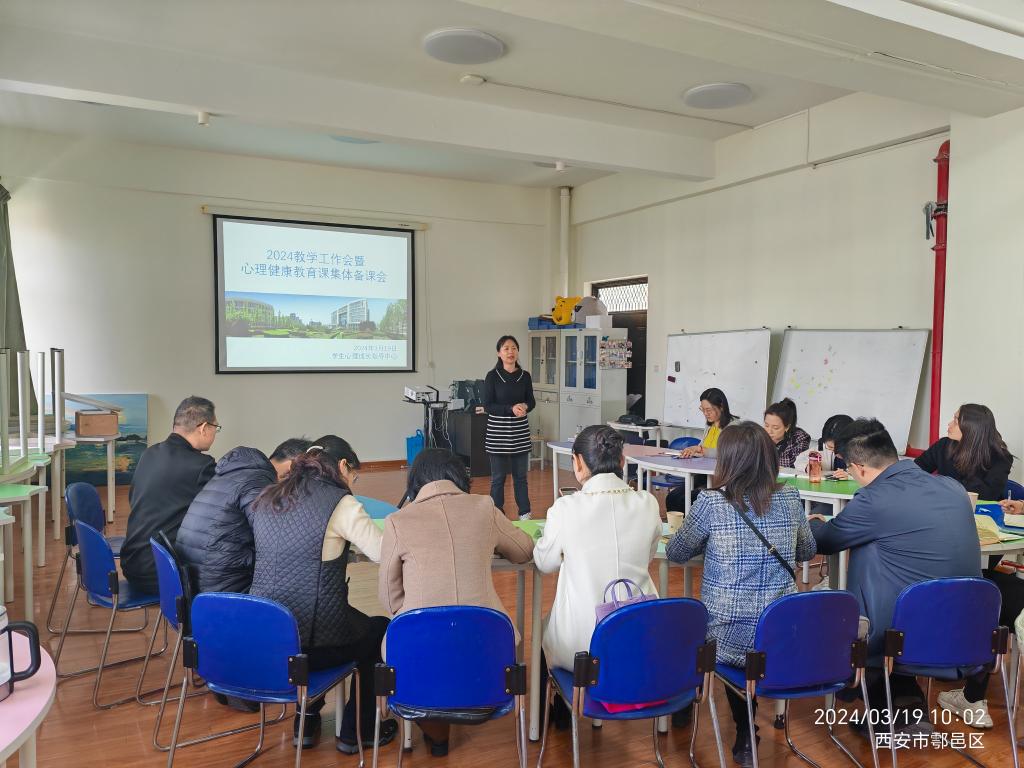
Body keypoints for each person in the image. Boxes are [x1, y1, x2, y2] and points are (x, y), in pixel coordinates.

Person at [810, 419, 984, 732]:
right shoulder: (952, 487)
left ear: (859, 468)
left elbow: (826, 541)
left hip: (904, 635)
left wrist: (812, 523)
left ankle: (879, 688)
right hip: (966, 630)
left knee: (866, 551)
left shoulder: (874, 499)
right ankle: (904, 701)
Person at [666, 421, 814, 766]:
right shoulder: (790, 498)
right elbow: (807, 551)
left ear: (728, 461)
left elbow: (677, 552)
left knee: (691, 630)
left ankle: (694, 710)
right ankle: (746, 736)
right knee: (749, 646)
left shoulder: (711, 502)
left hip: (727, 631)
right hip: (782, 631)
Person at [378, 449, 534, 756]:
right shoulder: (484, 507)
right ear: (460, 477)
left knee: (410, 655)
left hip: (420, 649)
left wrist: (413, 610)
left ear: (415, 482)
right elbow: (524, 550)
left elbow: (388, 595)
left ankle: (437, 737)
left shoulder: (397, 521)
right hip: (487, 649)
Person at [248, 435, 397, 753]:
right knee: (378, 631)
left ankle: (306, 723)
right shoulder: (340, 503)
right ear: (343, 466)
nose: (352, 484)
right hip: (315, 644)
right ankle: (358, 732)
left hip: (267, 637)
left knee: (315, 618)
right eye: (354, 476)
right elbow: (381, 552)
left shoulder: (271, 494)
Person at [534, 425, 661, 678]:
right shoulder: (647, 503)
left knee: (541, 632)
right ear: (622, 461)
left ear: (578, 462)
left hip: (582, 648)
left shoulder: (566, 508)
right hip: (640, 635)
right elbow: (648, 555)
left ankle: (560, 700)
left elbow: (544, 563)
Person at [176, 437, 312, 595]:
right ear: (291, 468)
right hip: (218, 589)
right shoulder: (258, 481)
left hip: (195, 581)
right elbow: (272, 535)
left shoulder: (236, 472)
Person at [121, 396, 218, 594]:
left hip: (132, 563)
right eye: (216, 427)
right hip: (163, 574)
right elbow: (221, 514)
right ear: (203, 428)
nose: (215, 433)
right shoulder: (202, 466)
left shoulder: (149, 454)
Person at [481, 335, 536, 520]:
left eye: (514, 348)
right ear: (499, 353)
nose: (510, 352)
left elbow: (531, 401)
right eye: (506, 348)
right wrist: (510, 409)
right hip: (498, 434)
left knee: (520, 477)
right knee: (498, 478)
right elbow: (488, 406)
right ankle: (496, 513)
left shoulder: (525, 376)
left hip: (520, 434)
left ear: (518, 351)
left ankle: (525, 513)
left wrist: (525, 406)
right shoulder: (492, 376)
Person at [914, 404, 1013, 501]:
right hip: (945, 504)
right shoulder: (944, 445)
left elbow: (988, 495)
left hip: (980, 509)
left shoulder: (1001, 457)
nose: (949, 424)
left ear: (972, 428)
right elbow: (914, 470)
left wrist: (941, 483)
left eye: (956, 422)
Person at [666, 387, 737, 512]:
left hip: (720, 479)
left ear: (721, 407)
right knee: (672, 498)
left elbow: (727, 453)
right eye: (702, 410)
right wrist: (693, 449)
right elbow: (703, 445)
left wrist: (701, 450)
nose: (705, 413)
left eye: (708, 410)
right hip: (703, 475)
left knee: (684, 501)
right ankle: (680, 524)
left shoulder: (734, 426)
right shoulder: (710, 425)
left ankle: (690, 524)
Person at [763, 397, 811, 468]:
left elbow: (794, 463)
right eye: (766, 425)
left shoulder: (800, 438)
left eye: (775, 428)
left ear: (787, 427)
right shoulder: (759, 435)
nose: (769, 431)